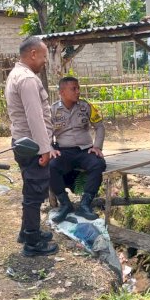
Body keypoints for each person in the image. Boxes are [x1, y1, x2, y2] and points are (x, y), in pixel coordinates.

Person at [5, 36, 59, 257]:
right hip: (32, 145)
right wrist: (44, 149)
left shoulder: (16, 74)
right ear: (33, 54)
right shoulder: (27, 79)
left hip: (24, 143)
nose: (45, 61)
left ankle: (27, 231)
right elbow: (34, 117)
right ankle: (32, 242)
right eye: (44, 56)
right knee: (35, 193)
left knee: (31, 189)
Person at [49, 76, 107, 222]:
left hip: (85, 150)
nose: (78, 91)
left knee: (98, 164)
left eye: (78, 88)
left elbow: (99, 126)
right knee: (50, 166)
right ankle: (65, 204)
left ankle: (85, 205)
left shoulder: (86, 106)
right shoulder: (52, 110)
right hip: (64, 151)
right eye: (73, 89)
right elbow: (45, 132)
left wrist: (97, 147)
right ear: (62, 92)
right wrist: (49, 148)